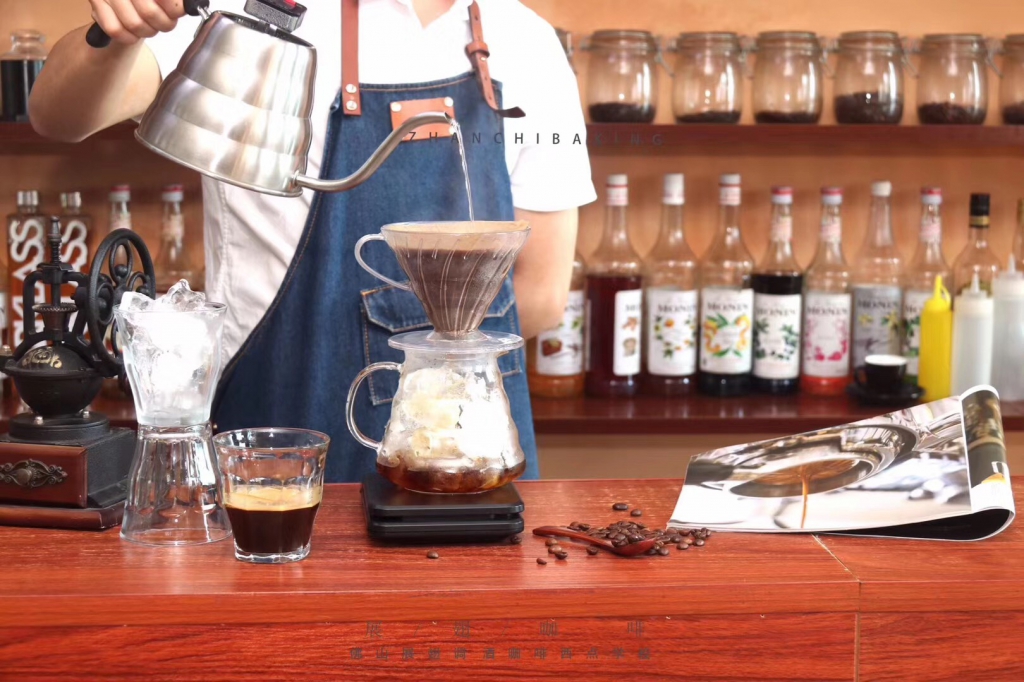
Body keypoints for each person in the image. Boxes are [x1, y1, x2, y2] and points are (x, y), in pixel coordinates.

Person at [30, 0, 595, 482]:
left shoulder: (529, 43)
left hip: (474, 448)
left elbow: (539, 295)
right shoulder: (257, 12)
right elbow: (57, 117)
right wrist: (118, 30)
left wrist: (427, 396)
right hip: (278, 433)